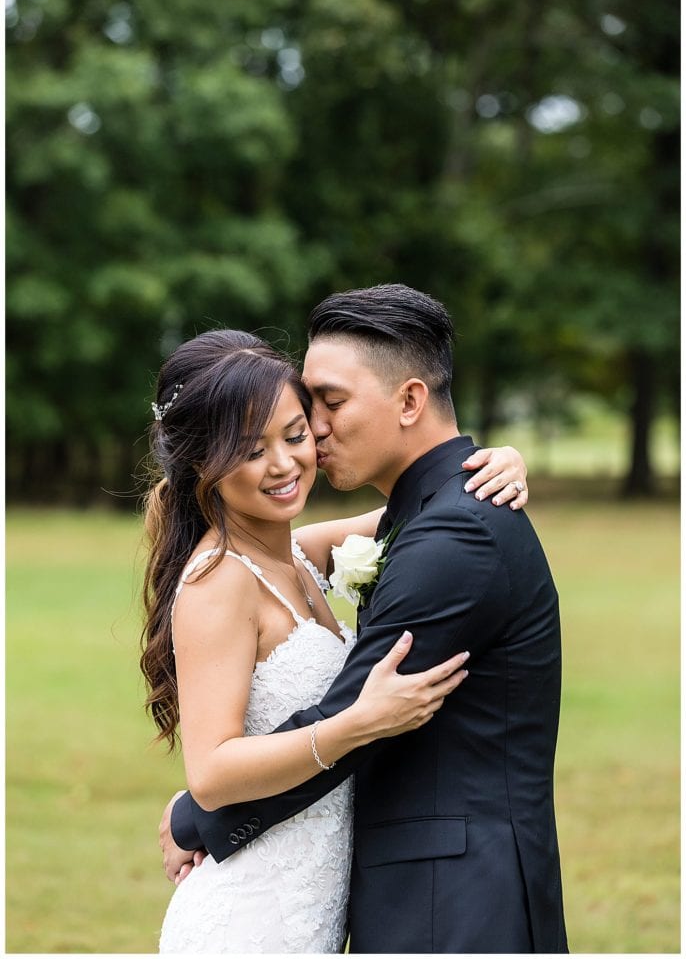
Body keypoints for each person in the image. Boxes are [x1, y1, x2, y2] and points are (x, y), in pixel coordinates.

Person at [162, 285, 567, 954]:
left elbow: (352, 714)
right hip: (296, 904)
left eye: (328, 404)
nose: (312, 433)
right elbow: (351, 716)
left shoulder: (451, 533)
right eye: (306, 408)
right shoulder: (418, 521)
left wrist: (192, 817)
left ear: (409, 400)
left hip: (453, 905)